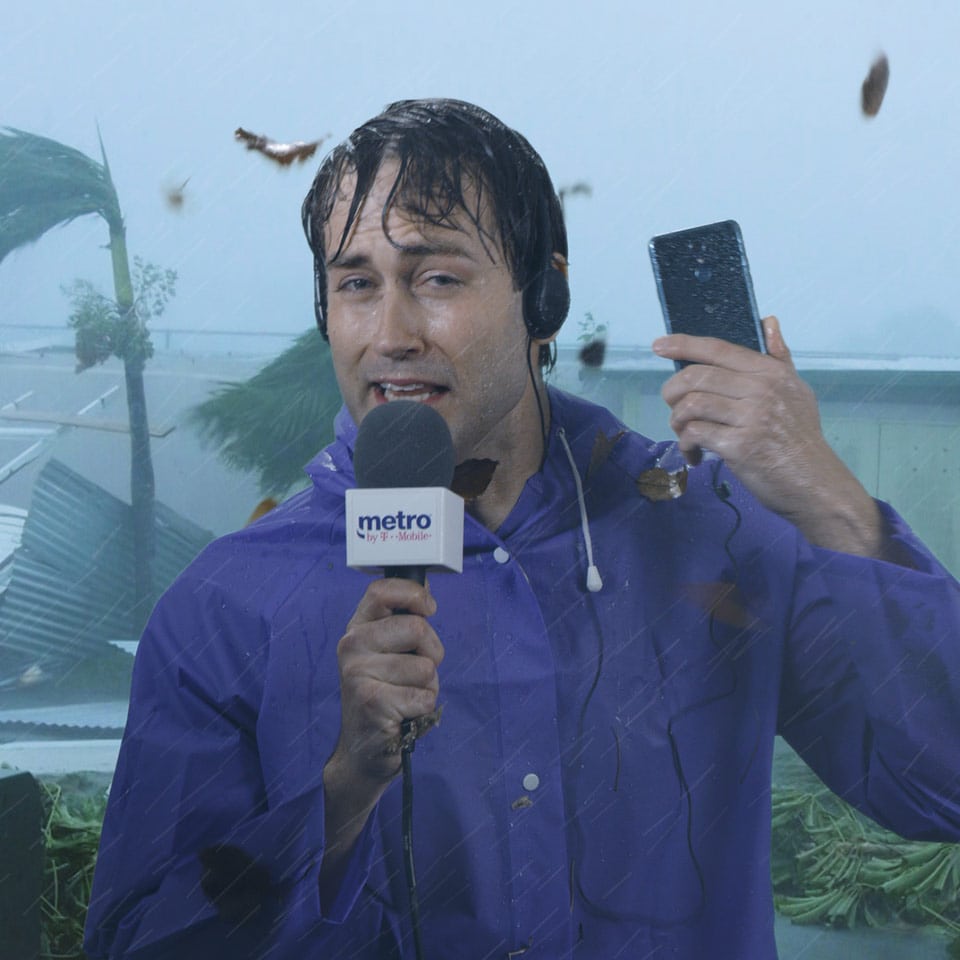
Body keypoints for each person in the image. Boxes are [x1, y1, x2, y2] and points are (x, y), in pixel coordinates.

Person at [84, 98, 960, 960]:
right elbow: (140, 942)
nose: (389, 334)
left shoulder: (713, 526)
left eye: (436, 278)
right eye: (355, 284)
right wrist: (344, 792)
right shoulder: (224, 606)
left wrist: (829, 500)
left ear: (544, 298)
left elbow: (945, 786)